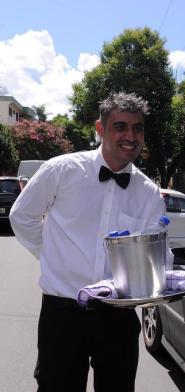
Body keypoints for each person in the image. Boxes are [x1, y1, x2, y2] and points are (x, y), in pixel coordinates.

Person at [10, 92, 172, 392]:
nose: (130, 135)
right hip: (62, 313)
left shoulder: (148, 192)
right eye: (120, 126)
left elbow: (159, 252)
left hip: (118, 317)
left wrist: (165, 275)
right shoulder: (62, 170)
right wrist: (51, 257)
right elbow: (22, 216)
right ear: (100, 129)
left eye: (138, 128)